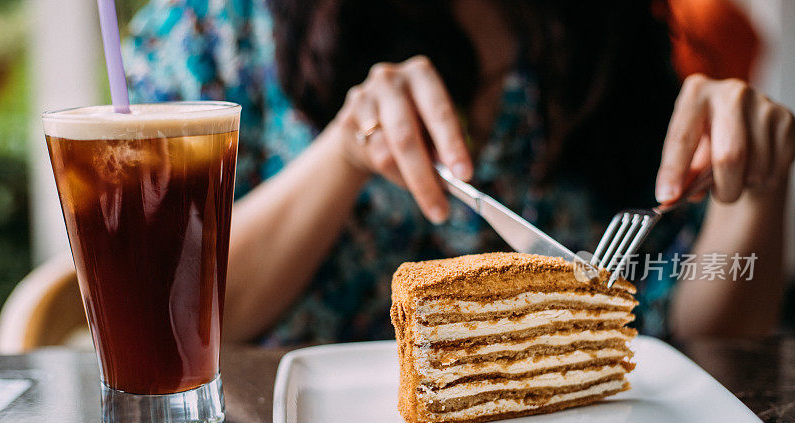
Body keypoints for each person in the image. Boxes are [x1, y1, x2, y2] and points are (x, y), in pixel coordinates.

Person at [124, 0, 794, 345]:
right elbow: (166, 317)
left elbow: (707, 339)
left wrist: (754, 195)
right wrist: (344, 156)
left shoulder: (608, 33)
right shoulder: (211, 33)